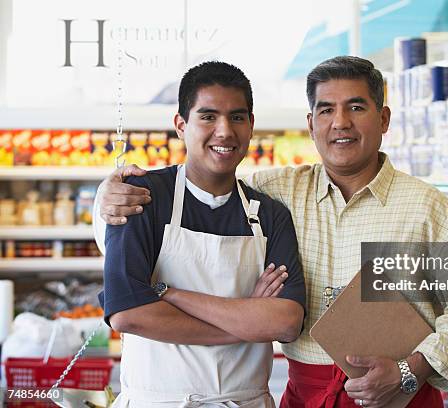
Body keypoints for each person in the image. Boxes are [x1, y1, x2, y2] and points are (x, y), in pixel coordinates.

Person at [95, 56, 448, 408]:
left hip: (397, 395)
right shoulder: (277, 191)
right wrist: (108, 195)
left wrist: (407, 371)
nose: (340, 123)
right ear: (311, 123)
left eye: (356, 107)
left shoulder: (427, 207)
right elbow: (210, 180)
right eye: (326, 110)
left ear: (383, 118)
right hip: (305, 394)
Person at [98, 61, 306, 408]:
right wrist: (245, 324)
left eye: (237, 117)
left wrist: (167, 293)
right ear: (181, 125)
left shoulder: (269, 214)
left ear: (251, 125)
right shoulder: (141, 197)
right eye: (208, 116)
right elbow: (128, 314)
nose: (224, 131)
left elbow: (285, 322)